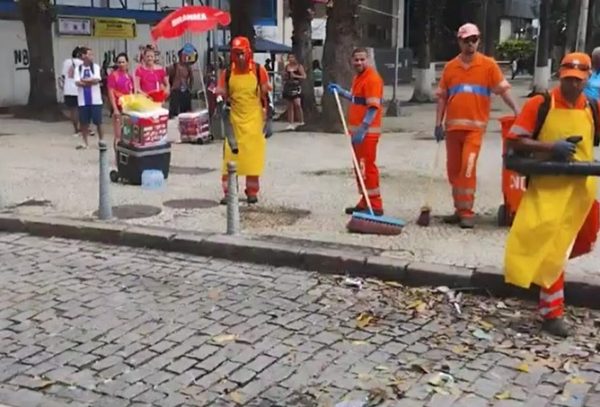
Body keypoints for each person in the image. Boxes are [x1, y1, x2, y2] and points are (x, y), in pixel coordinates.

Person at [504, 52, 600, 337]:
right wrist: (551, 148)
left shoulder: (593, 108)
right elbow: (515, 140)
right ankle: (552, 313)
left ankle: (544, 284)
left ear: (586, 79)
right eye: (569, 79)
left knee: (576, 244)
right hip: (547, 192)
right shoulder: (541, 104)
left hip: (581, 194)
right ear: (561, 75)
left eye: (578, 80)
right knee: (553, 250)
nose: (573, 86)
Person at [435, 23, 519, 229]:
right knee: (453, 170)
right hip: (453, 128)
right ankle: (459, 208)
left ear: (478, 41)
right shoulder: (450, 68)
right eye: (466, 40)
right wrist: (438, 123)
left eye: (474, 40)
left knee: (467, 168)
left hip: (475, 129)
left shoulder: (488, 65)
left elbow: (503, 90)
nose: (471, 44)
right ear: (459, 42)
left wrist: (519, 111)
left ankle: (467, 212)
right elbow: (442, 97)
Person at [327, 47, 385, 216]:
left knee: (366, 167)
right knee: (359, 168)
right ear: (351, 61)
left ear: (367, 60)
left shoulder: (372, 79)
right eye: (356, 60)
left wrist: (363, 128)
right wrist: (342, 92)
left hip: (366, 133)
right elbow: (356, 98)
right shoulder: (359, 78)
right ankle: (364, 199)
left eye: (362, 59)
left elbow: (373, 107)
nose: (359, 62)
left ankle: (375, 204)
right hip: (357, 132)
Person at [216, 36, 271, 205]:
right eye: (235, 53)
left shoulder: (258, 70)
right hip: (234, 121)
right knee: (229, 158)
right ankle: (229, 192)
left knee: (252, 158)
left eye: (242, 53)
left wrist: (268, 117)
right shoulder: (227, 73)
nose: (239, 57)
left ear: (248, 53)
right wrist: (219, 98)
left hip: (254, 120)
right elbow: (221, 92)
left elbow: (265, 93)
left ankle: (252, 191)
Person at [73, 47, 104, 149]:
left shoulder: (95, 67)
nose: (91, 56)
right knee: (84, 123)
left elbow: (96, 80)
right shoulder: (78, 69)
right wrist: (89, 81)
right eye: (89, 54)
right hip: (83, 100)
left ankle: (101, 141)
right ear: (83, 56)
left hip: (95, 100)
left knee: (98, 122)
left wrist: (85, 81)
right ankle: (85, 142)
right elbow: (77, 82)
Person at [107, 53, 134, 152]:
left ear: (127, 63)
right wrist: (115, 109)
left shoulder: (129, 76)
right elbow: (110, 93)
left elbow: (131, 92)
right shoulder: (113, 76)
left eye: (123, 62)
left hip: (128, 108)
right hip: (118, 108)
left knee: (128, 133)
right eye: (119, 62)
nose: (121, 64)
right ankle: (117, 156)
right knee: (118, 134)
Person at [60, 46, 83, 137]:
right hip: (79, 89)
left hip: (68, 89)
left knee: (73, 110)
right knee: (81, 110)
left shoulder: (66, 62)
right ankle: (83, 128)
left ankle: (76, 129)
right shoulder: (82, 63)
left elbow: (63, 76)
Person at [167, 49, 194, 118]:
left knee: (185, 112)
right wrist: (170, 87)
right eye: (183, 55)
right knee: (174, 111)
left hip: (185, 90)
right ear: (179, 56)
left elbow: (191, 78)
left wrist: (190, 88)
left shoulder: (188, 67)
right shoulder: (174, 66)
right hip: (175, 89)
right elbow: (169, 77)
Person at [283, 53, 306, 130]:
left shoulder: (299, 66)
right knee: (290, 105)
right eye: (289, 57)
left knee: (297, 104)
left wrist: (296, 76)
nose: (290, 59)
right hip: (288, 86)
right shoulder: (287, 67)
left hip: (296, 86)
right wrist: (285, 76)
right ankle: (290, 123)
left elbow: (304, 76)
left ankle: (301, 121)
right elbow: (284, 76)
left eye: (292, 57)